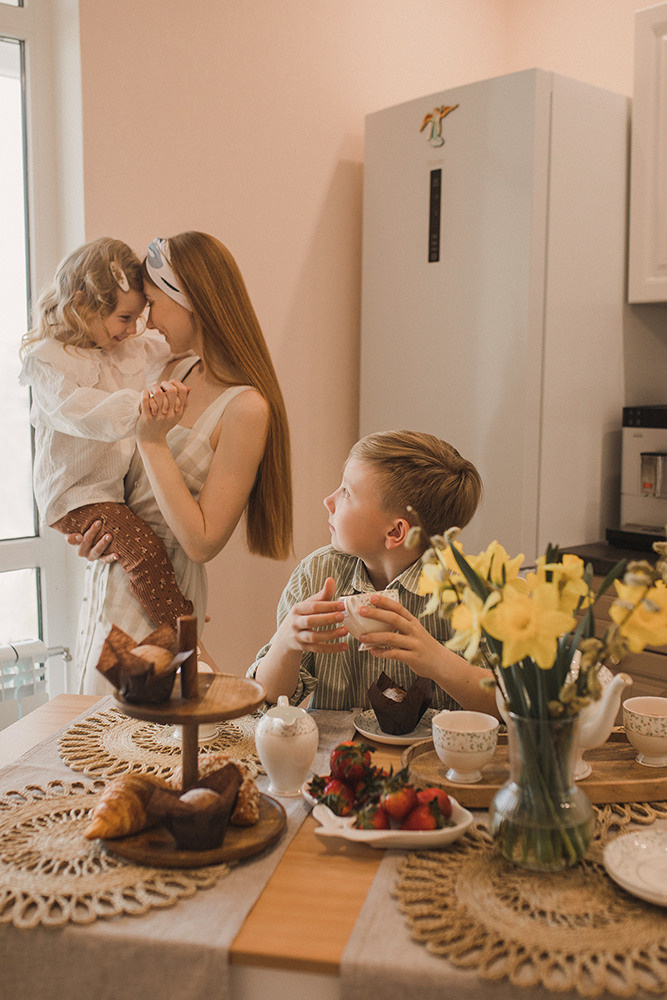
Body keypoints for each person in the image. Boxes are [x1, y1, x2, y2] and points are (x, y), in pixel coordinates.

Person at [70, 231, 293, 694]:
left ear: (191, 299)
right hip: (113, 581)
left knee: (139, 722)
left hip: (161, 594)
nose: (148, 322)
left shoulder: (245, 408)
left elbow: (202, 541)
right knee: (97, 718)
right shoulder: (171, 371)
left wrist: (152, 443)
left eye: (153, 304)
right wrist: (95, 529)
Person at [249, 430, 497, 715]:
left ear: (395, 532)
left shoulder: (465, 591)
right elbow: (267, 701)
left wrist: (438, 661)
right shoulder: (316, 573)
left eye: (346, 492)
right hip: (336, 745)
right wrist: (285, 644)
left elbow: (508, 706)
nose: (328, 500)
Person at [19, 237, 195, 629]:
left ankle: (174, 620)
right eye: (124, 317)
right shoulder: (50, 361)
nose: (132, 329)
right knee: (144, 554)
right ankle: (183, 633)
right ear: (83, 305)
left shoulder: (126, 347)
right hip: (76, 496)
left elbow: (173, 345)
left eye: (137, 317)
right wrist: (144, 405)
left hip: (110, 491)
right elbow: (82, 412)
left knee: (145, 554)